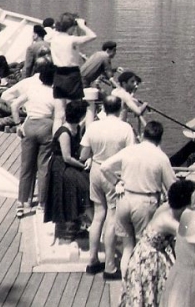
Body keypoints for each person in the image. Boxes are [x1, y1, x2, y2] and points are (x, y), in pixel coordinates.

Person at [100, 120, 177, 278]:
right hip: (145, 203)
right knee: (143, 247)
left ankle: (125, 284)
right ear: (160, 139)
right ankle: (139, 284)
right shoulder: (161, 158)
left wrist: (116, 182)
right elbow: (172, 187)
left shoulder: (130, 150)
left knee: (127, 248)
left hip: (124, 198)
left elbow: (104, 167)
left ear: (142, 136)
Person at [80, 96, 137, 278]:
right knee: (112, 217)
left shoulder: (94, 126)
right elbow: (131, 154)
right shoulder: (125, 128)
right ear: (120, 108)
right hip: (114, 174)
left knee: (98, 215)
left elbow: (83, 155)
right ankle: (110, 266)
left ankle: (92, 260)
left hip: (96, 169)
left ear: (103, 107)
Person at [119, 179, 195, 307]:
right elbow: (190, 236)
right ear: (185, 206)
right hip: (148, 260)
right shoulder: (168, 221)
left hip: (151, 255)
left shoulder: (166, 207)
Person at [11, 64, 57, 218]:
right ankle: (42, 205)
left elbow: (14, 105)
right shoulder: (55, 94)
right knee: (43, 167)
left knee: (26, 167)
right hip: (46, 126)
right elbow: (58, 117)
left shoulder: (32, 90)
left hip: (29, 126)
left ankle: (21, 203)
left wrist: (18, 124)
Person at [44, 99, 92, 241]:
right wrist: (83, 166)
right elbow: (67, 157)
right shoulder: (64, 132)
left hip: (71, 164)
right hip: (61, 167)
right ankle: (79, 221)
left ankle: (79, 221)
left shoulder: (76, 127)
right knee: (82, 184)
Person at [50, 13, 96, 128]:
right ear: (71, 27)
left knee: (59, 115)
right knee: (73, 112)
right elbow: (92, 36)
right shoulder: (72, 40)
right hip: (72, 75)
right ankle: (72, 137)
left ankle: (57, 140)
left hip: (58, 75)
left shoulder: (53, 38)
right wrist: (82, 26)